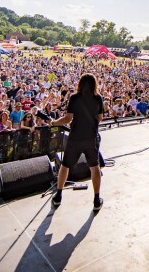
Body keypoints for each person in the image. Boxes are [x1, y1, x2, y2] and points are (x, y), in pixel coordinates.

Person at [50, 73, 104, 211]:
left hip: (75, 138)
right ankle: (97, 200)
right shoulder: (98, 98)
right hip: (91, 137)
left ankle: (58, 195)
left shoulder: (74, 98)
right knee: (94, 166)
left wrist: (55, 122)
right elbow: (100, 117)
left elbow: (67, 119)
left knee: (65, 166)